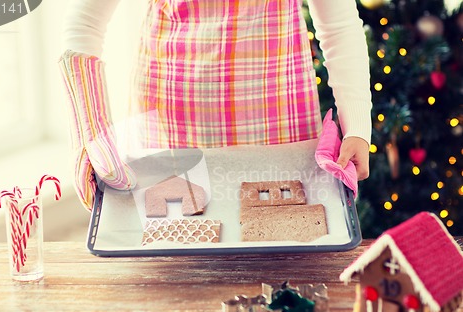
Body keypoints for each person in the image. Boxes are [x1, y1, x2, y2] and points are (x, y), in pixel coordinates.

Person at [59, 0, 371, 210]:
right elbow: (85, 23)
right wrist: (89, 134)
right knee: (171, 269)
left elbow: (339, 26)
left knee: (281, 261)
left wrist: (357, 126)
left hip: (277, 125)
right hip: (168, 127)